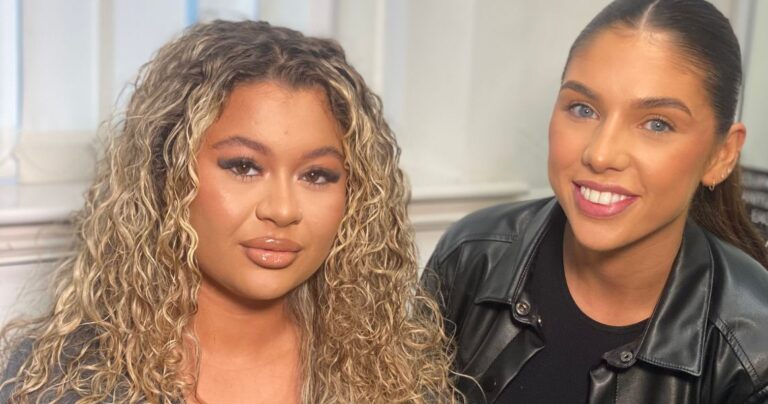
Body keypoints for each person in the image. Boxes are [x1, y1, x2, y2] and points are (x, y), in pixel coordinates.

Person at [0, 21, 458, 403]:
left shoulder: (399, 374)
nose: (282, 210)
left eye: (317, 175)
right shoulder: (59, 379)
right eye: (243, 166)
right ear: (166, 173)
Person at [423, 0, 768, 402]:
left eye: (657, 124)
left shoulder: (755, 349)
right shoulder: (469, 255)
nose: (601, 154)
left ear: (722, 155)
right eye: (582, 108)